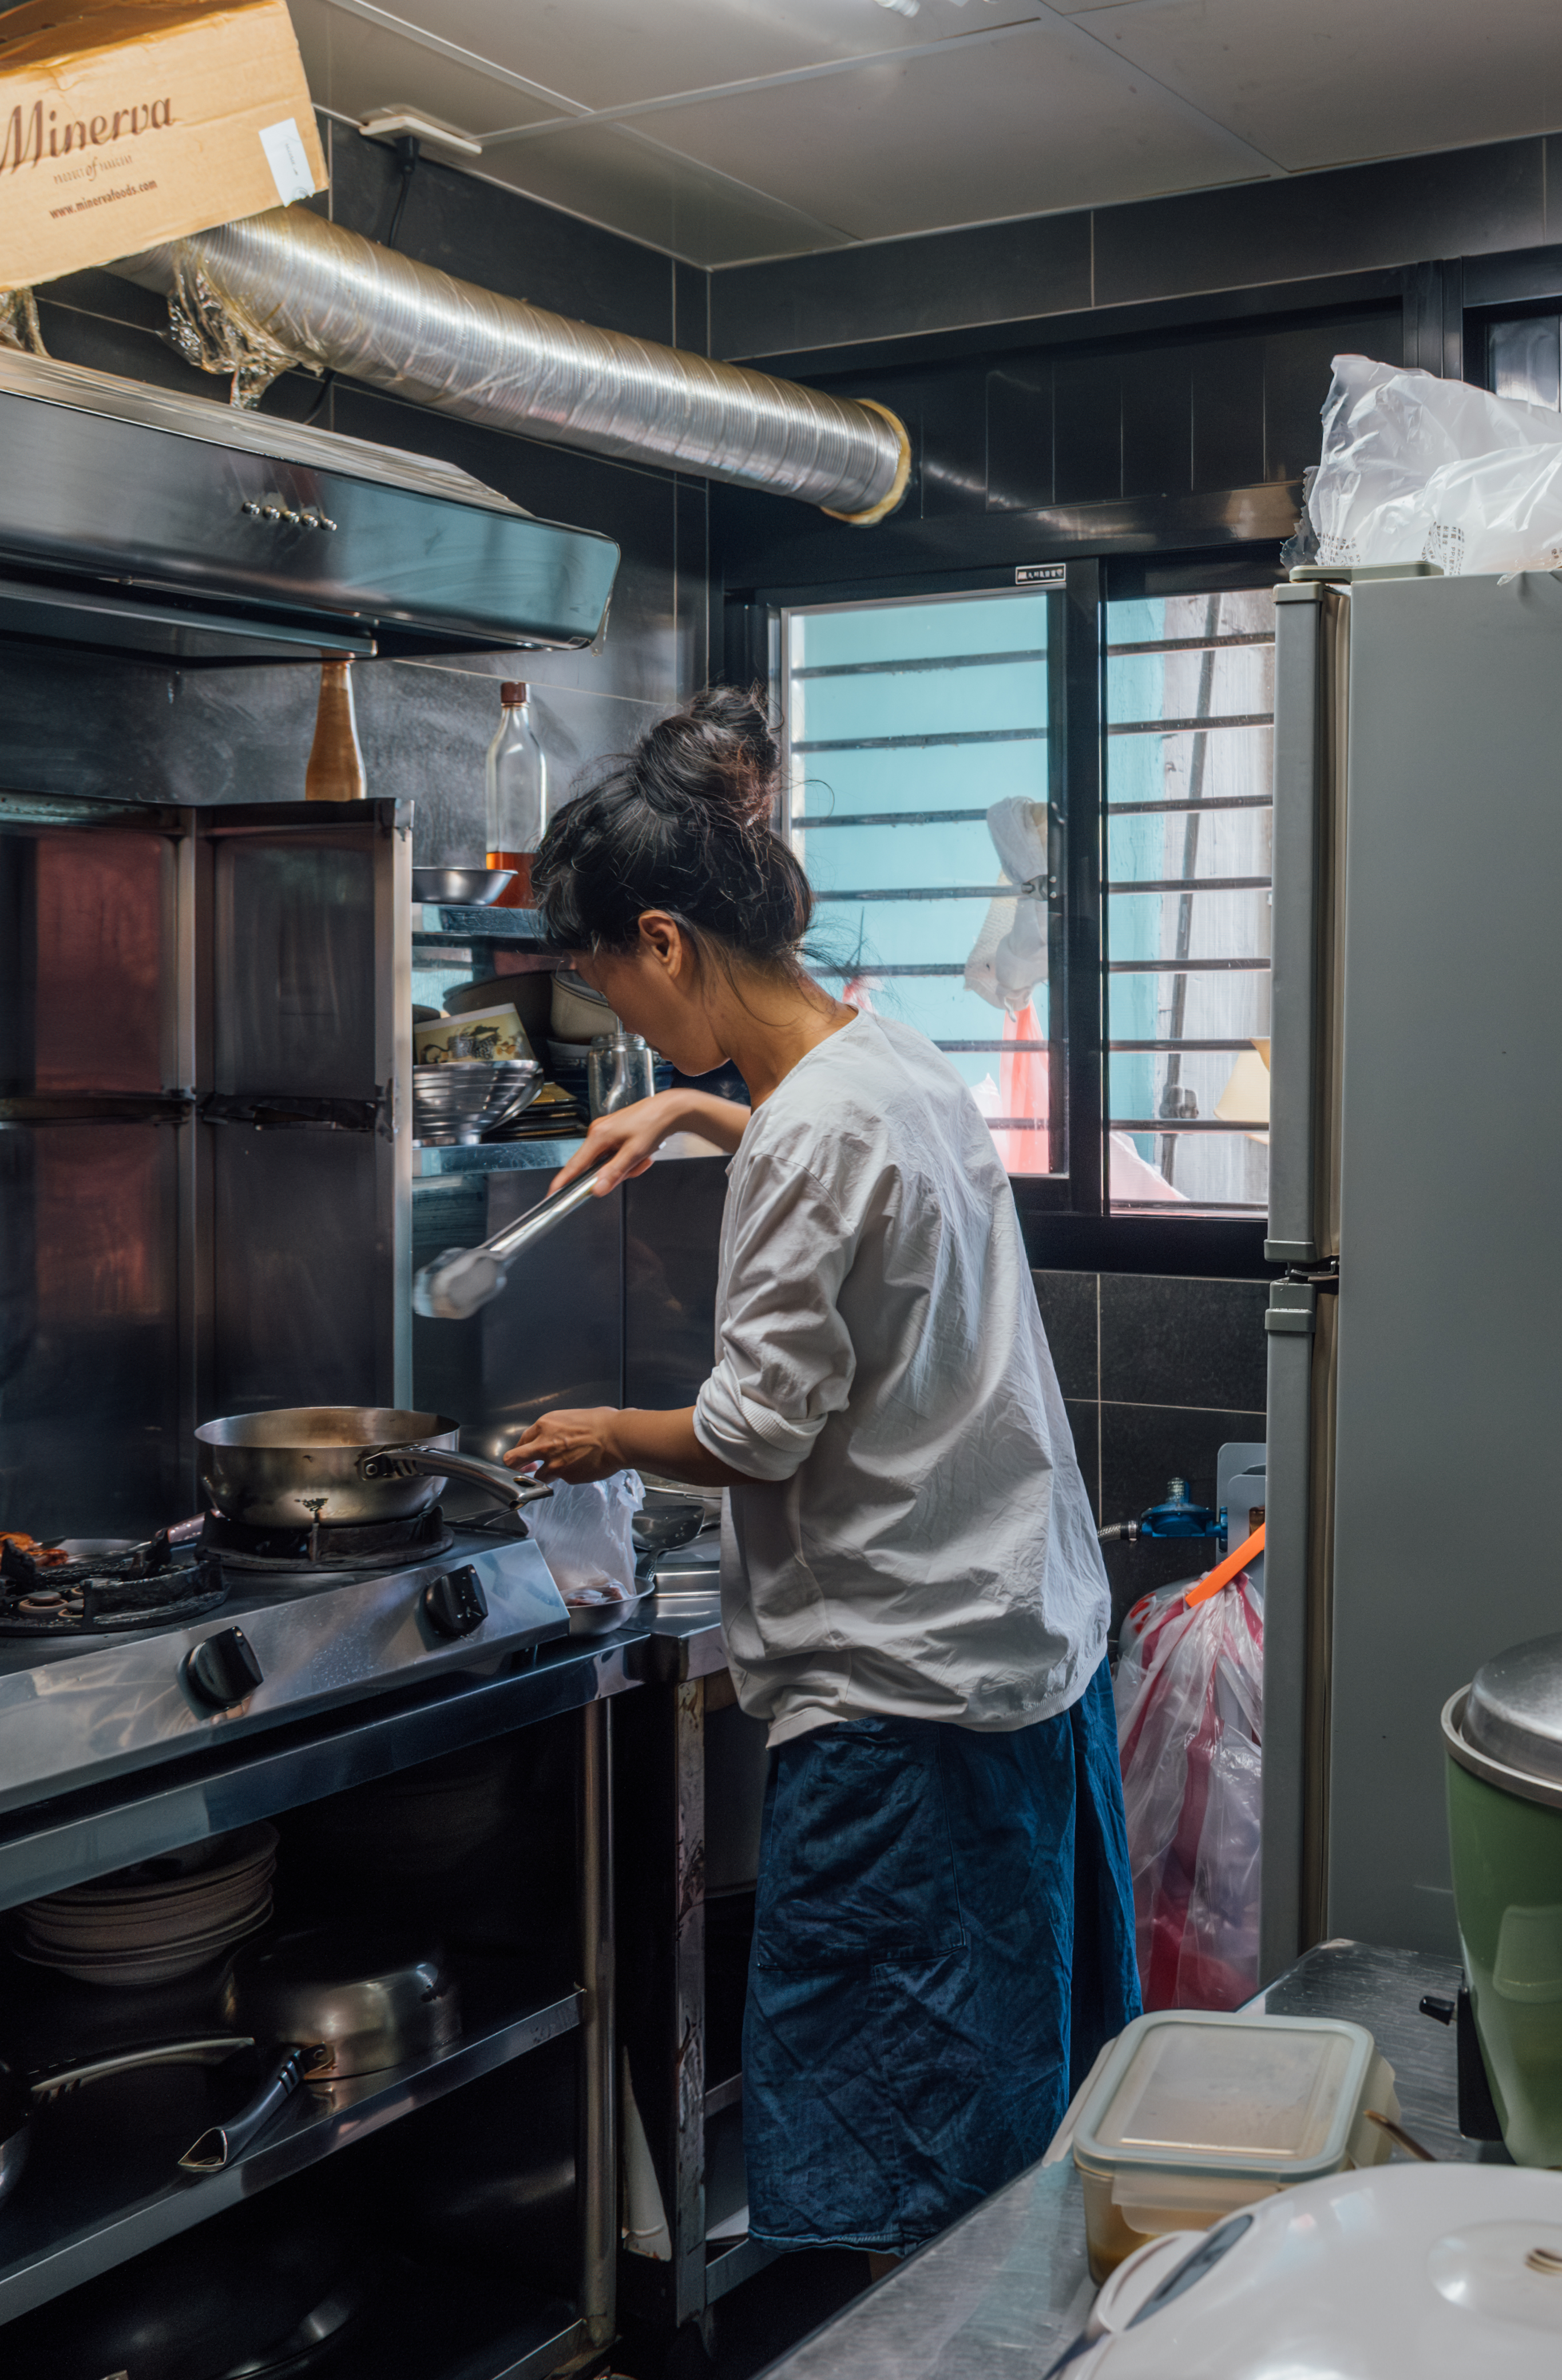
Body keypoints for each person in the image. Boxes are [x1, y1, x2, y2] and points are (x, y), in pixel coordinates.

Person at [506, 688, 1139, 2262]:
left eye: (607, 990)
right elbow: (837, 1161)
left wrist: (598, 1434)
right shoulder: (886, 1053)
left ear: (665, 941)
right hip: (1019, 1652)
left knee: (901, 2149)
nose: (620, 1029)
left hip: (902, 1696)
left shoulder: (805, 1144)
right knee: (1013, 2106)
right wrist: (702, 1108)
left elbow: (749, 1435)